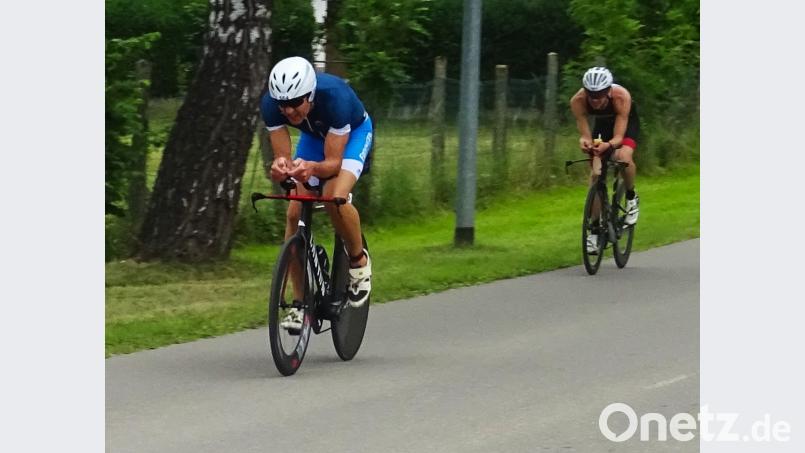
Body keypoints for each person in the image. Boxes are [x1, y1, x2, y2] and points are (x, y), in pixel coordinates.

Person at [260, 56, 373, 332]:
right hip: (314, 138)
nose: (288, 111)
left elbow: (333, 164)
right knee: (294, 211)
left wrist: (311, 168)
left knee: (335, 197)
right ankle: (299, 304)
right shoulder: (271, 105)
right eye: (282, 105)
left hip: (352, 135)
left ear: (310, 95)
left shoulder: (336, 99)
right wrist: (280, 168)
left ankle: (359, 262)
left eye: (295, 103)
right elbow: (283, 158)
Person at [570, 66, 641, 254]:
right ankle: (594, 230)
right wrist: (585, 142)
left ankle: (631, 197)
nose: (595, 100)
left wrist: (608, 146)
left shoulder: (621, 97)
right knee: (595, 174)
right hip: (602, 126)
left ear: (608, 90)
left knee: (622, 156)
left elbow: (618, 137)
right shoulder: (578, 101)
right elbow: (585, 133)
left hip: (624, 124)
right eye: (591, 95)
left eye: (600, 94)